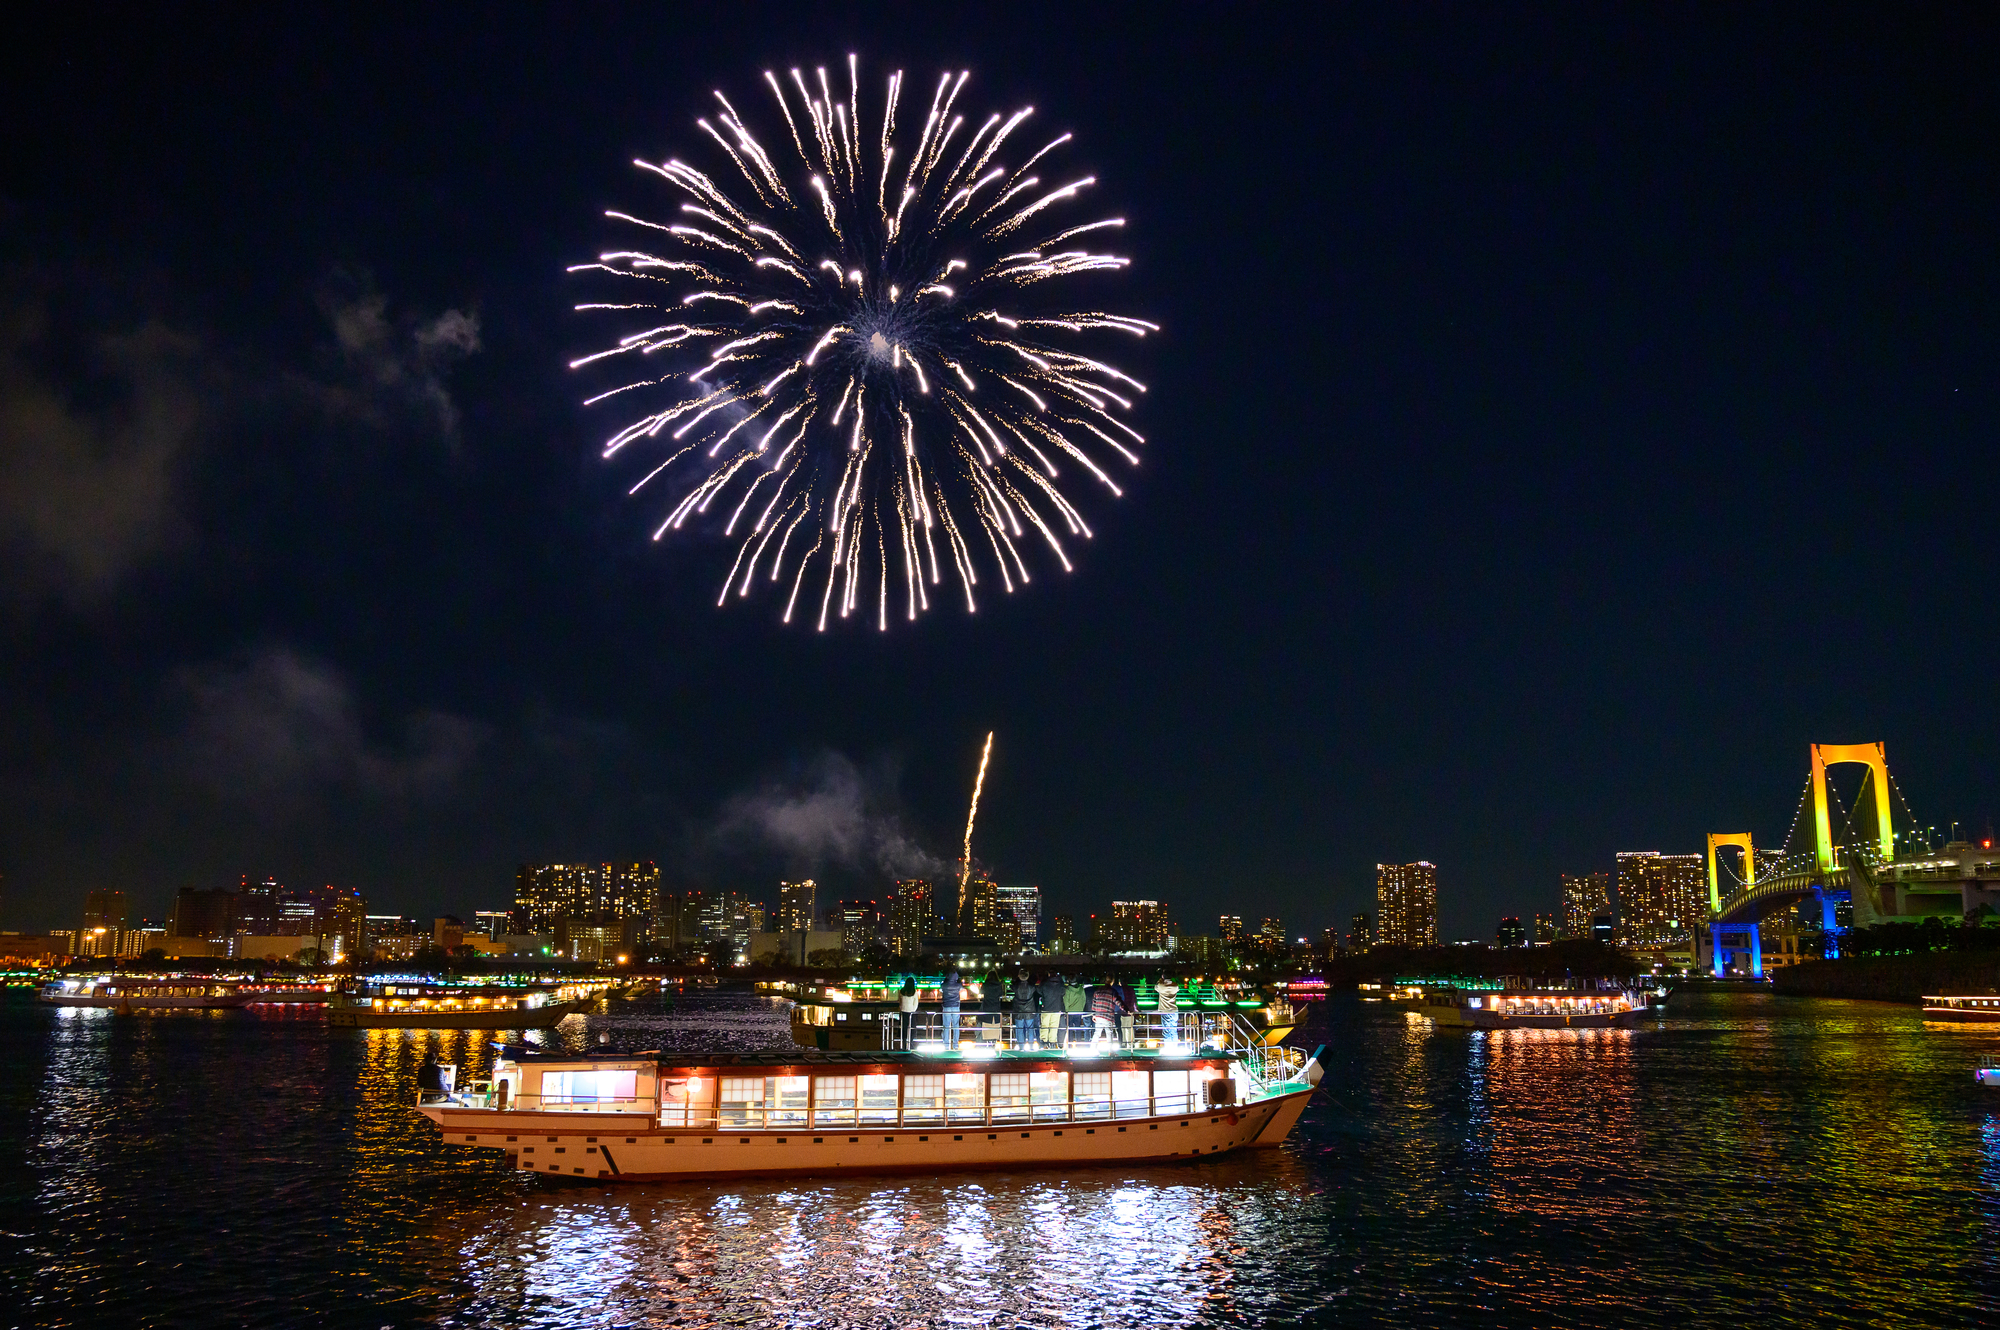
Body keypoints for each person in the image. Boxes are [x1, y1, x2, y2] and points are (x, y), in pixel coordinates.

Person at [1038, 972, 1067, 1049]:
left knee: (1044, 1025)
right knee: (1054, 1026)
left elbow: (1039, 990)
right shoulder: (1060, 985)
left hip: (1046, 1008)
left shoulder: (1045, 984)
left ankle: (1044, 1042)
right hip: (1057, 1008)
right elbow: (1063, 993)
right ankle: (1052, 1042)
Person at [1012, 971, 1039, 1049]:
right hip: (1029, 1010)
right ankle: (1031, 1046)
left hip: (1018, 1011)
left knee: (1019, 1029)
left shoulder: (1016, 987)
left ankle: (1021, 1046)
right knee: (1030, 1029)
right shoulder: (1032, 987)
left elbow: (1012, 986)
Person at [1089, 977, 1119, 1045]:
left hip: (1098, 1015)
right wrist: (1127, 1009)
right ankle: (1110, 1051)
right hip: (1108, 1015)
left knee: (1097, 1033)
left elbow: (1094, 1003)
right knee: (1109, 1033)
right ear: (1112, 981)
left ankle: (1093, 1048)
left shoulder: (1097, 991)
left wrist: (1094, 1014)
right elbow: (1118, 1002)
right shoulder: (1112, 991)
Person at [1063, 971, 1088, 1045]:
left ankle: (1070, 1044)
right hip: (1079, 1011)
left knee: (1070, 1029)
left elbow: (1066, 1002)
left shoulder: (1067, 990)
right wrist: (1081, 1009)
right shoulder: (1081, 989)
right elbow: (1084, 1000)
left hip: (1070, 1012)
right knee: (1078, 1029)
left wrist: (1066, 1012)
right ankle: (1079, 1043)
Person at [941, 966, 963, 1050]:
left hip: (946, 1006)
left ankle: (946, 1045)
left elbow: (941, 990)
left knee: (946, 1026)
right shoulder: (958, 986)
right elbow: (962, 989)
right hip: (956, 1006)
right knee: (956, 1026)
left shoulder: (943, 985)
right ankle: (955, 1045)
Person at [1156, 974, 1180, 1047]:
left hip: (1165, 1010)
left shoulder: (1161, 986)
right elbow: (1178, 988)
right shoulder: (1175, 986)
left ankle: (1168, 1047)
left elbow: (1156, 986)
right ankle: (1174, 1047)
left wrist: (1161, 979)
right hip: (1174, 1010)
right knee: (1174, 1030)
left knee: (1166, 1030)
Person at [1114, 979, 1137, 1048]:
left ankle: (1123, 1043)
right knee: (1130, 1029)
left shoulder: (1120, 989)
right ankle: (1131, 1044)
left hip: (1123, 1011)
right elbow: (1134, 1000)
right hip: (1131, 1011)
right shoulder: (1131, 989)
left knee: (1123, 1029)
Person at [898, 976, 919, 1047]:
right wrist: (913, 1010)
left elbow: (900, 1002)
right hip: (911, 1012)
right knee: (911, 1028)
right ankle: (910, 1043)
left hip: (903, 1011)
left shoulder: (901, 991)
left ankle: (903, 1043)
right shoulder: (914, 992)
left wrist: (901, 1008)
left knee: (903, 1028)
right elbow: (916, 1003)